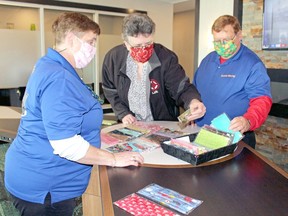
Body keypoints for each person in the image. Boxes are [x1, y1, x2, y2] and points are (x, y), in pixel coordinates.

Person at [4, 12, 143, 216]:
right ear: (71, 39)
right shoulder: (60, 77)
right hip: (45, 188)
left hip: (30, 172)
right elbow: (66, 145)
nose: (94, 49)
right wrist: (113, 158)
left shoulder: (48, 64)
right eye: (91, 42)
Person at [102, 13, 206, 124]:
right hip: (130, 124)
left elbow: (181, 87)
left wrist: (193, 101)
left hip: (161, 124)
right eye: (137, 46)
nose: (143, 49)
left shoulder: (166, 58)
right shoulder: (113, 58)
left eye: (148, 44)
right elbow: (110, 90)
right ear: (126, 43)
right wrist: (123, 113)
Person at [193, 15, 272, 148]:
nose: (221, 45)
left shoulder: (252, 64)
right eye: (217, 41)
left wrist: (248, 120)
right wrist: (193, 108)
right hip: (202, 133)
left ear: (239, 35)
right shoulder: (207, 60)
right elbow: (194, 90)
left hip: (235, 138)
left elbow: (262, 100)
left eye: (226, 40)